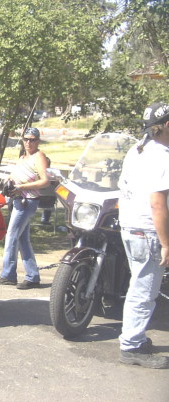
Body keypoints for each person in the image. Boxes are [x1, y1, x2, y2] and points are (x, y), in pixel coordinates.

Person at [116, 102, 169, 369]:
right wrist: (166, 243)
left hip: (130, 226)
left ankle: (133, 338)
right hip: (148, 231)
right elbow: (158, 204)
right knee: (144, 292)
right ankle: (132, 346)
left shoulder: (137, 150)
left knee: (137, 286)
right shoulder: (162, 156)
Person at [0, 127, 49, 289]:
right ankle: (33, 276)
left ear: (38, 141)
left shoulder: (39, 156)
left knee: (11, 235)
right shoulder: (23, 157)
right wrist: (9, 180)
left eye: (32, 139)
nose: (28, 142)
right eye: (26, 139)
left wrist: (22, 187)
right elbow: (16, 176)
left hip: (28, 201)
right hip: (17, 200)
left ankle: (8, 274)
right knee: (23, 239)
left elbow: (45, 181)